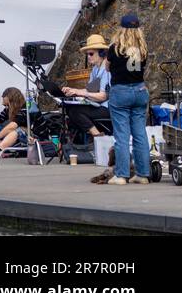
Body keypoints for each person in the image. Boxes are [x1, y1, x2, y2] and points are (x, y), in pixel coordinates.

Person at [106, 14, 151, 185]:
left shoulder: (115, 48)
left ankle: (122, 175)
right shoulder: (142, 48)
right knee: (140, 134)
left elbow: (108, 67)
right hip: (140, 90)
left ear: (121, 29)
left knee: (122, 135)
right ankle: (143, 174)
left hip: (121, 92)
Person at [61, 34, 111, 144]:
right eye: (87, 54)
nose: (88, 56)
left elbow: (103, 96)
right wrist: (72, 90)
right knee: (70, 109)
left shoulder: (107, 70)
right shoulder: (95, 69)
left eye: (91, 53)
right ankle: (87, 139)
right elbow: (90, 90)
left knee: (76, 111)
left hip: (108, 108)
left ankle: (98, 137)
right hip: (100, 105)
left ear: (101, 53)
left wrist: (79, 92)